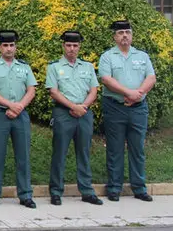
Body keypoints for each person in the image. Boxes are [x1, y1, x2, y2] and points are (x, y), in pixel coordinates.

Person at [98, 19, 156, 203]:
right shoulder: (108, 57)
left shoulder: (142, 56)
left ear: (131, 35)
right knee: (115, 149)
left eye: (128, 32)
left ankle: (139, 187)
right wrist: (129, 93)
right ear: (115, 37)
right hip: (115, 107)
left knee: (137, 148)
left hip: (138, 108)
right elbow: (106, 79)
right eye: (121, 33)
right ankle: (114, 188)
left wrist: (138, 94)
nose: (125, 36)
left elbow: (151, 77)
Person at [46, 30, 102, 206]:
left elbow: (94, 90)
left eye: (75, 45)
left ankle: (86, 191)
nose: (71, 49)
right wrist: (73, 107)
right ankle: (56, 191)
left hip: (84, 113)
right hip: (64, 113)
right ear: (63, 46)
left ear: (79, 47)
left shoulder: (87, 67)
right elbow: (53, 91)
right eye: (68, 45)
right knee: (59, 153)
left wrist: (83, 107)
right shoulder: (54, 67)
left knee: (84, 153)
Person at [0, 30, 37, 208]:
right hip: (0, 115)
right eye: (5, 45)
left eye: (11, 45)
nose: (8, 49)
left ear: (16, 46)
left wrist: (19, 106)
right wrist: (10, 105)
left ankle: (25, 194)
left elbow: (31, 90)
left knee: (23, 156)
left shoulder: (24, 67)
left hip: (20, 115)